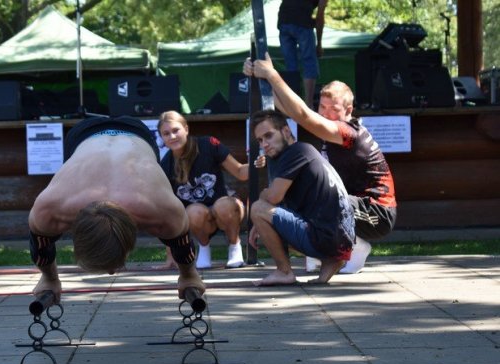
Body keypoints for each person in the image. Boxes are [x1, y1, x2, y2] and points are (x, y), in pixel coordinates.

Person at [244, 54, 397, 274]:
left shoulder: (349, 132)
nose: (326, 114)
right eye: (322, 107)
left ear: (349, 111)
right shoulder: (333, 133)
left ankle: (352, 247)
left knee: (316, 202)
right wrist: (259, 76)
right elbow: (287, 107)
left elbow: (302, 115)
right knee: (303, 200)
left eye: (333, 109)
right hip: (354, 205)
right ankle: (332, 251)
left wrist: (272, 73)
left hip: (377, 213)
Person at [28, 116, 205, 302]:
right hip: (92, 136)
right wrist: (49, 279)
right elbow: (182, 244)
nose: (112, 273)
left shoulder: (162, 208)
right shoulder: (50, 207)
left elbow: (182, 244)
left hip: (127, 134)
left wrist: (189, 276)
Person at [248, 110, 354, 285]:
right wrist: (260, 225)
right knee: (265, 212)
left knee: (258, 208)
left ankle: (284, 272)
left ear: (286, 132)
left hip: (326, 238)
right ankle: (331, 260)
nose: (264, 144)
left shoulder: (296, 152)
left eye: (268, 136)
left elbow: (273, 197)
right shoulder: (303, 151)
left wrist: (260, 208)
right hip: (341, 241)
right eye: (260, 140)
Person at [157, 111, 248, 270]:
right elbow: (168, 211)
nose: (172, 136)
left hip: (223, 211)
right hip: (198, 220)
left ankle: (235, 246)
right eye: (166, 133)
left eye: (175, 130)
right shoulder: (166, 165)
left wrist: (258, 163)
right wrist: (170, 255)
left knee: (226, 205)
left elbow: (240, 172)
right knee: (192, 212)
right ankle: (203, 248)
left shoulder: (208, 144)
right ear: (162, 138)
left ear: (186, 129)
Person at [277, 0, 328, 109]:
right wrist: (319, 44)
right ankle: (308, 104)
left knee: (290, 65)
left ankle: (291, 104)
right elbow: (320, 17)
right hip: (302, 22)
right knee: (309, 61)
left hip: (283, 21)